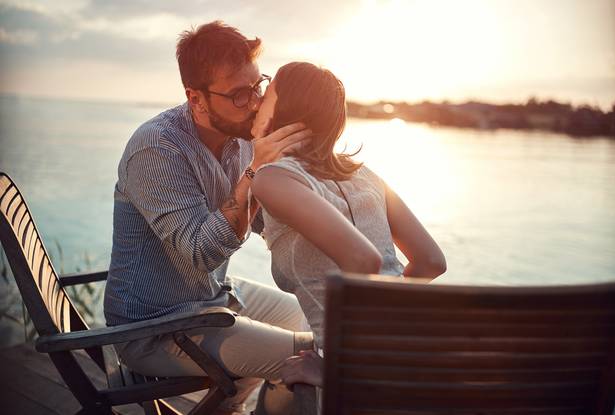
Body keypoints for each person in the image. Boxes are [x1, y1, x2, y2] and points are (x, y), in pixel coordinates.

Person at [103, 22, 314, 414]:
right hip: (156, 327)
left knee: (316, 319)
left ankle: (231, 406)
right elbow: (202, 253)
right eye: (238, 95)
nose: (253, 103)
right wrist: (256, 169)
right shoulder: (157, 150)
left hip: (212, 296)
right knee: (310, 355)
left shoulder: (240, 138)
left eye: (257, 86)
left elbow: (267, 223)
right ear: (196, 99)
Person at [250, 62, 447, 387]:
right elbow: (431, 261)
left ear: (286, 109)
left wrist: (334, 370)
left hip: (366, 366)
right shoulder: (366, 175)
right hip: (416, 346)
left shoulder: (273, 179)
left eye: (267, 95)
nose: (257, 104)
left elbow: (362, 261)